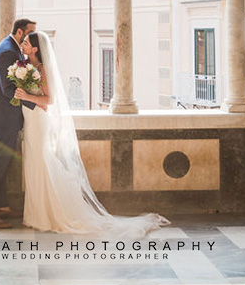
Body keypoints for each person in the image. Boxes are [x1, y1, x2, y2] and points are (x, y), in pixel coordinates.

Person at [14, 31, 169, 235]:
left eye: (25, 43)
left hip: (39, 122)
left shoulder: (42, 70)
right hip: (31, 121)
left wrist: (26, 96)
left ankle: (47, 216)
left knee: (42, 165)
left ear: (35, 49)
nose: (22, 45)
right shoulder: (28, 67)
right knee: (34, 164)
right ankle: (36, 215)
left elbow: (49, 100)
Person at [0, 17, 36, 229]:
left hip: (5, 117)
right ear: (19, 32)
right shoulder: (7, 52)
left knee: (3, 164)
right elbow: (8, 90)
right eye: (29, 34)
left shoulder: (12, 49)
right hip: (1, 118)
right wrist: (36, 103)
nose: (31, 38)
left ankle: (1, 206)